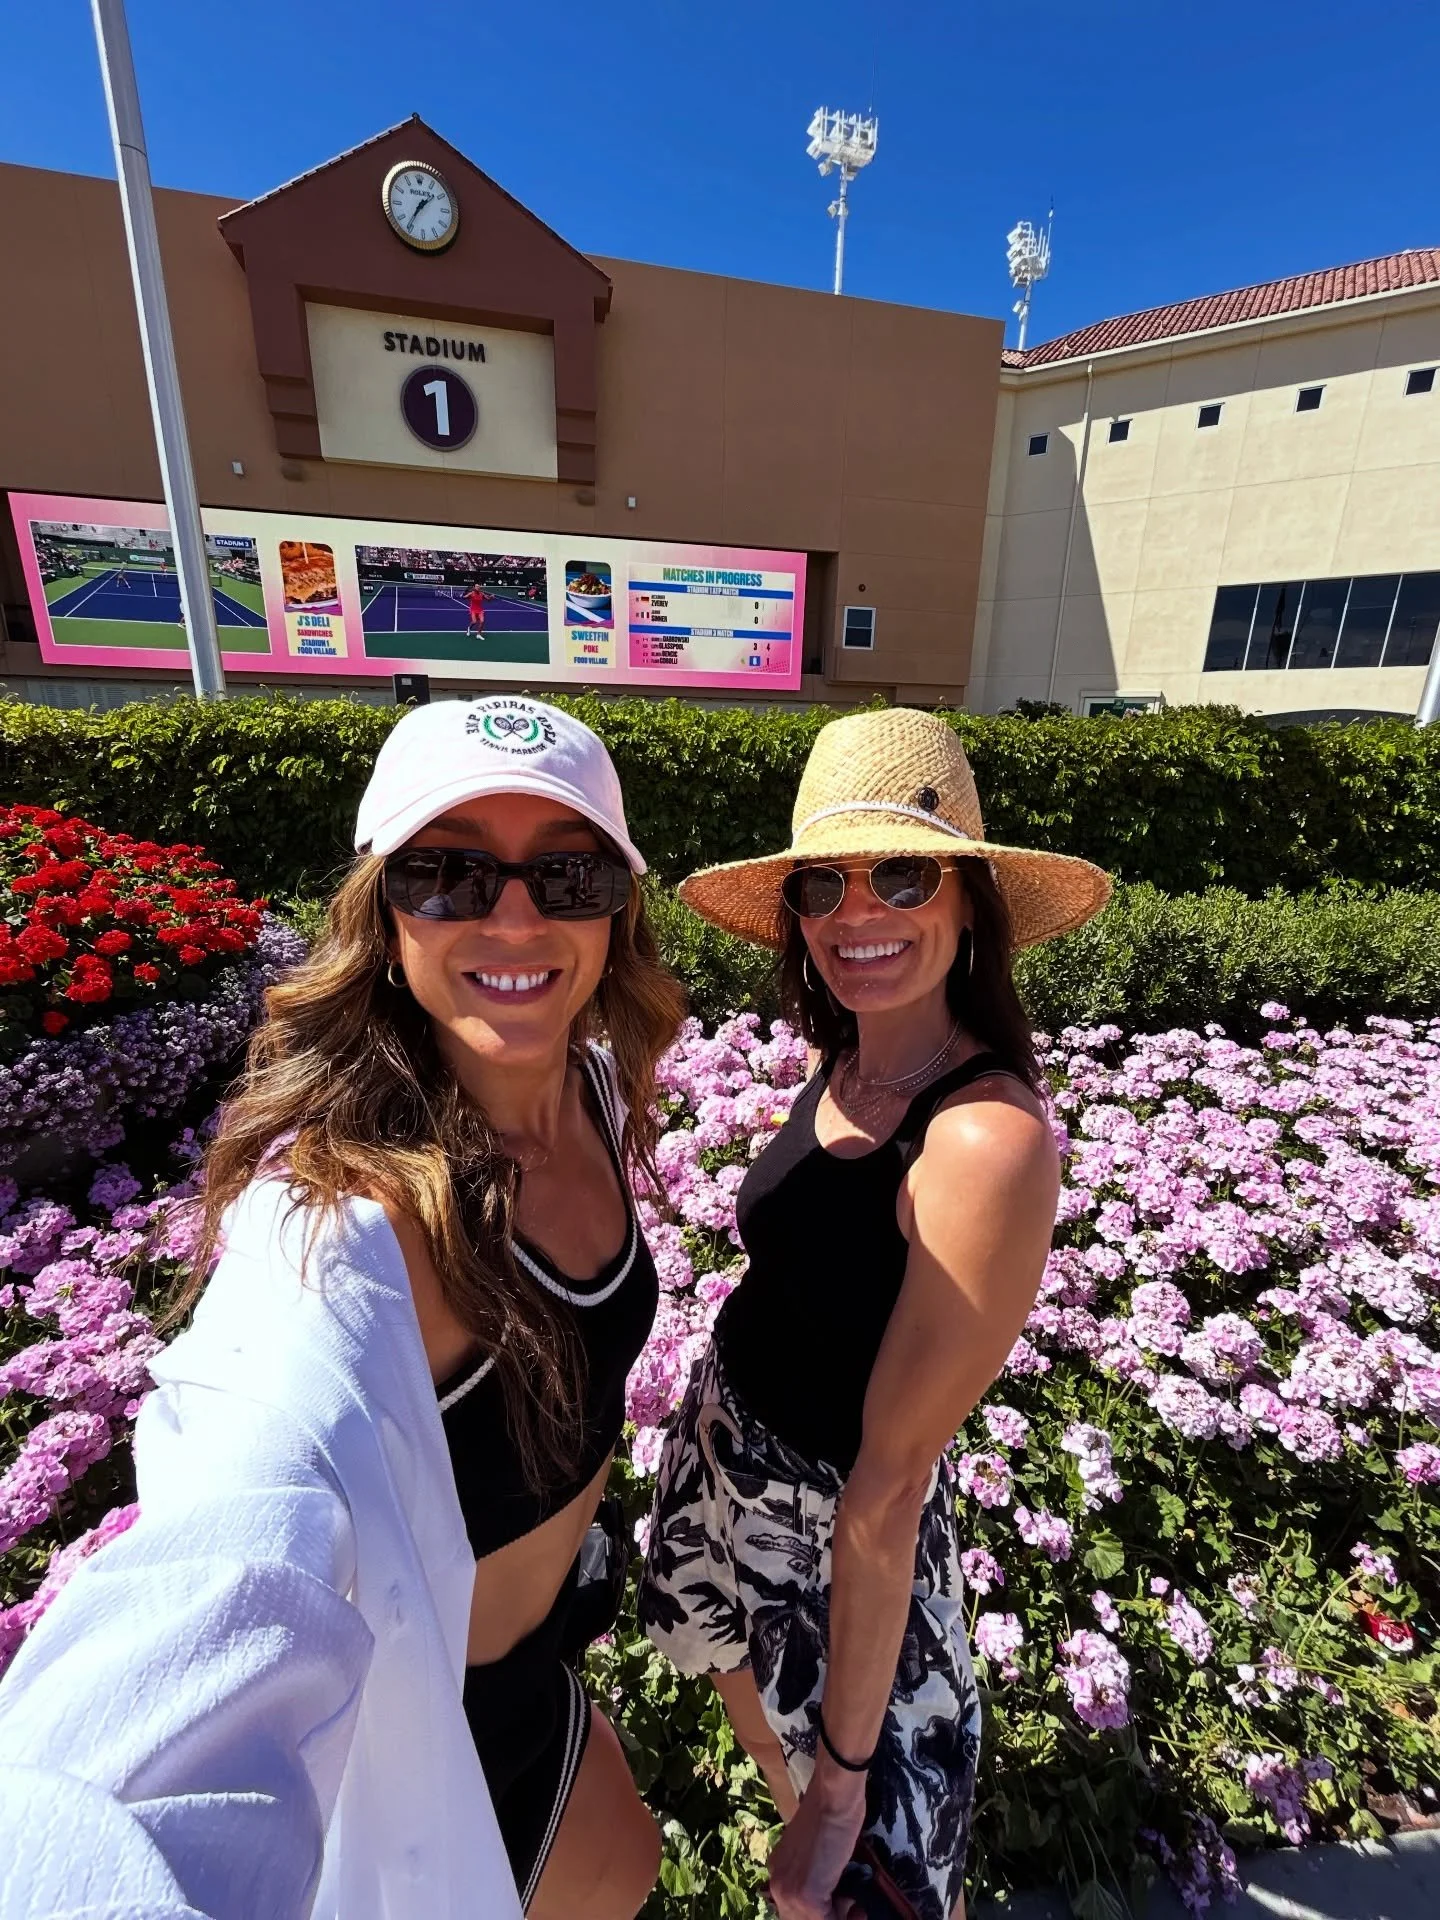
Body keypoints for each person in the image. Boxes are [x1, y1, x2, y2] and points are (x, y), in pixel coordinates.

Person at [0, 694, 684, 1920]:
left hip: (542, 1665)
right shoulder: (343, 1225)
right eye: (449, 875)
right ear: (384, 914)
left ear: (615, 907)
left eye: (566, 873)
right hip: (431, 1740)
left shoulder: (588, 1072)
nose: (516, 915)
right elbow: (236, 1512)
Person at [638, 708, 1111, 1920]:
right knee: (771, 1778)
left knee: (860, 1877)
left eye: (900, 873)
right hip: (728, 1469)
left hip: (836, 1555)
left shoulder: (980, 1138)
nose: (858, 913)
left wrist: (847, 1787)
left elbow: (892, 1484)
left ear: (966, 906)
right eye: (821, 884)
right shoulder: (853, 1055)